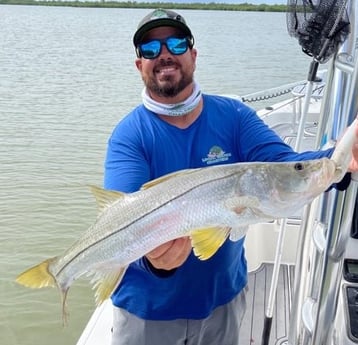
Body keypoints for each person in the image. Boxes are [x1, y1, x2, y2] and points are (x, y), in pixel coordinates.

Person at [104, 8, 358, 345]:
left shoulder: (234, 116)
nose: (164, 55)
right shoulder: (129, 135)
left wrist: (337, 160)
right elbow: (123, 222)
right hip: (148, 312)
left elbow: (284, 165)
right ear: (140, 65)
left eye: (176, 44)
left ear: (193, 55)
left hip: (222, 301)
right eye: (150, 49)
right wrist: (157, 263)